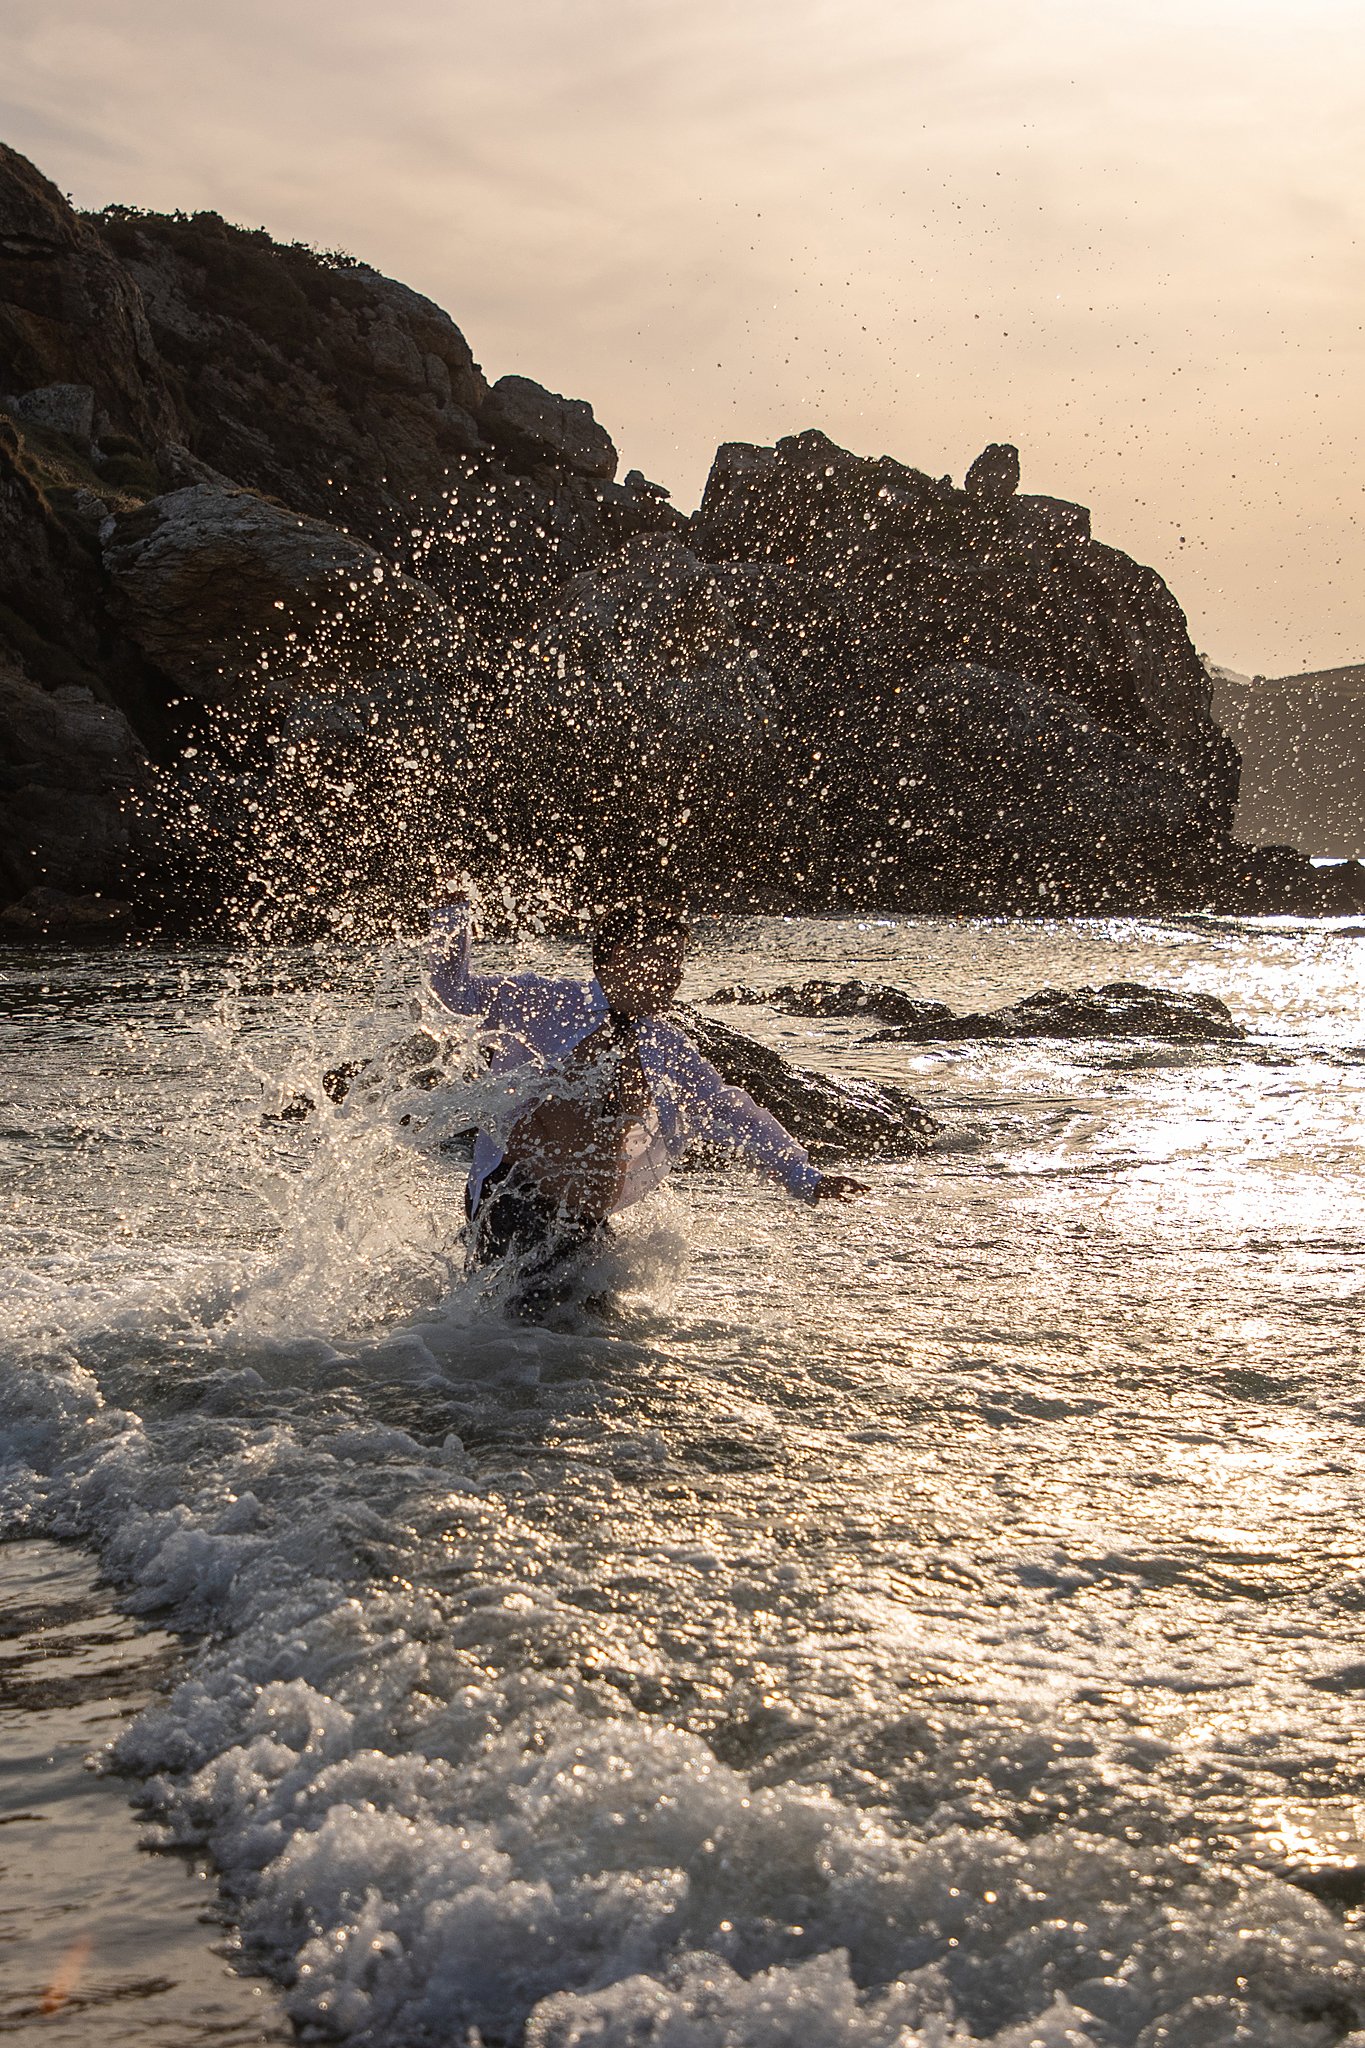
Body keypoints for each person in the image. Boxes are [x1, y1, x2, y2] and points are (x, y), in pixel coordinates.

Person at [427, 891, 867, 1313]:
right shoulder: (546, 1002)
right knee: (524, 1344)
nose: (672, 975)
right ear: (617, 955)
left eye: (677, 963)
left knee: (585, 1350)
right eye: (660, 960)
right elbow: (452, 994)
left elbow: (726, 1107)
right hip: (513, 1199)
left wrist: (801, 1175)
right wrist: (451, 917)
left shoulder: (665, 1045)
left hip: (584, 1222)